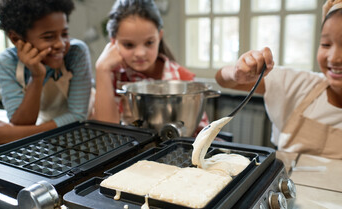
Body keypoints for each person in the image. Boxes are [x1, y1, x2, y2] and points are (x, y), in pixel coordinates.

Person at [214, 0, 342, 159]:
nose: (334, 58)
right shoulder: (300, 84)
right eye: (326, 44)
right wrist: (236, 72)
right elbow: (222, 79)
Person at [0, 0, 93, 145]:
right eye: (48, 37)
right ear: (16, 38)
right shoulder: (6, 61)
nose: (61, 43)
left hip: (84, 128)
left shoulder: (76, 52)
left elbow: (78, 116)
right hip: (46, 130)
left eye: (64, 33)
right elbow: (21, 124)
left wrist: (16, 135)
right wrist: (37, 76)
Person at [92, 0, 208, 130]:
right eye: (129, 45)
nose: (140, 53)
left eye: (149, 43)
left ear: (159, 37)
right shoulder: (113, 76)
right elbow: (106, 129)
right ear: (113, 43)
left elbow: (201, 133)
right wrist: (101, 69)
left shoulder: (183, 78)